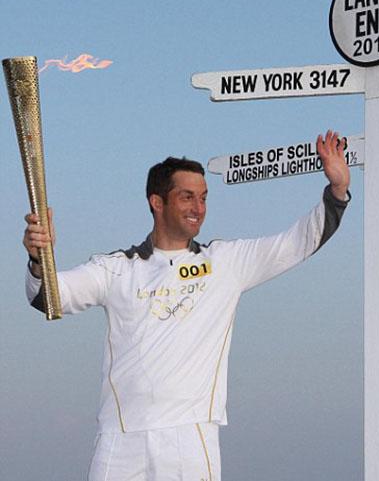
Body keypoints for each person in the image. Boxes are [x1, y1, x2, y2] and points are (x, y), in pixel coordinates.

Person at [23, 130, 351, 481]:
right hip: (120, 437)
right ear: (157, 202)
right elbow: (48, 298)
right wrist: (38, 258)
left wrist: (337, 192)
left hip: (190, 436)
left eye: (204, 198)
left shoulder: (225, 262)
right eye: (187, 197)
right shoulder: (117, 269)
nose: (199, 208)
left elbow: (298, 242)